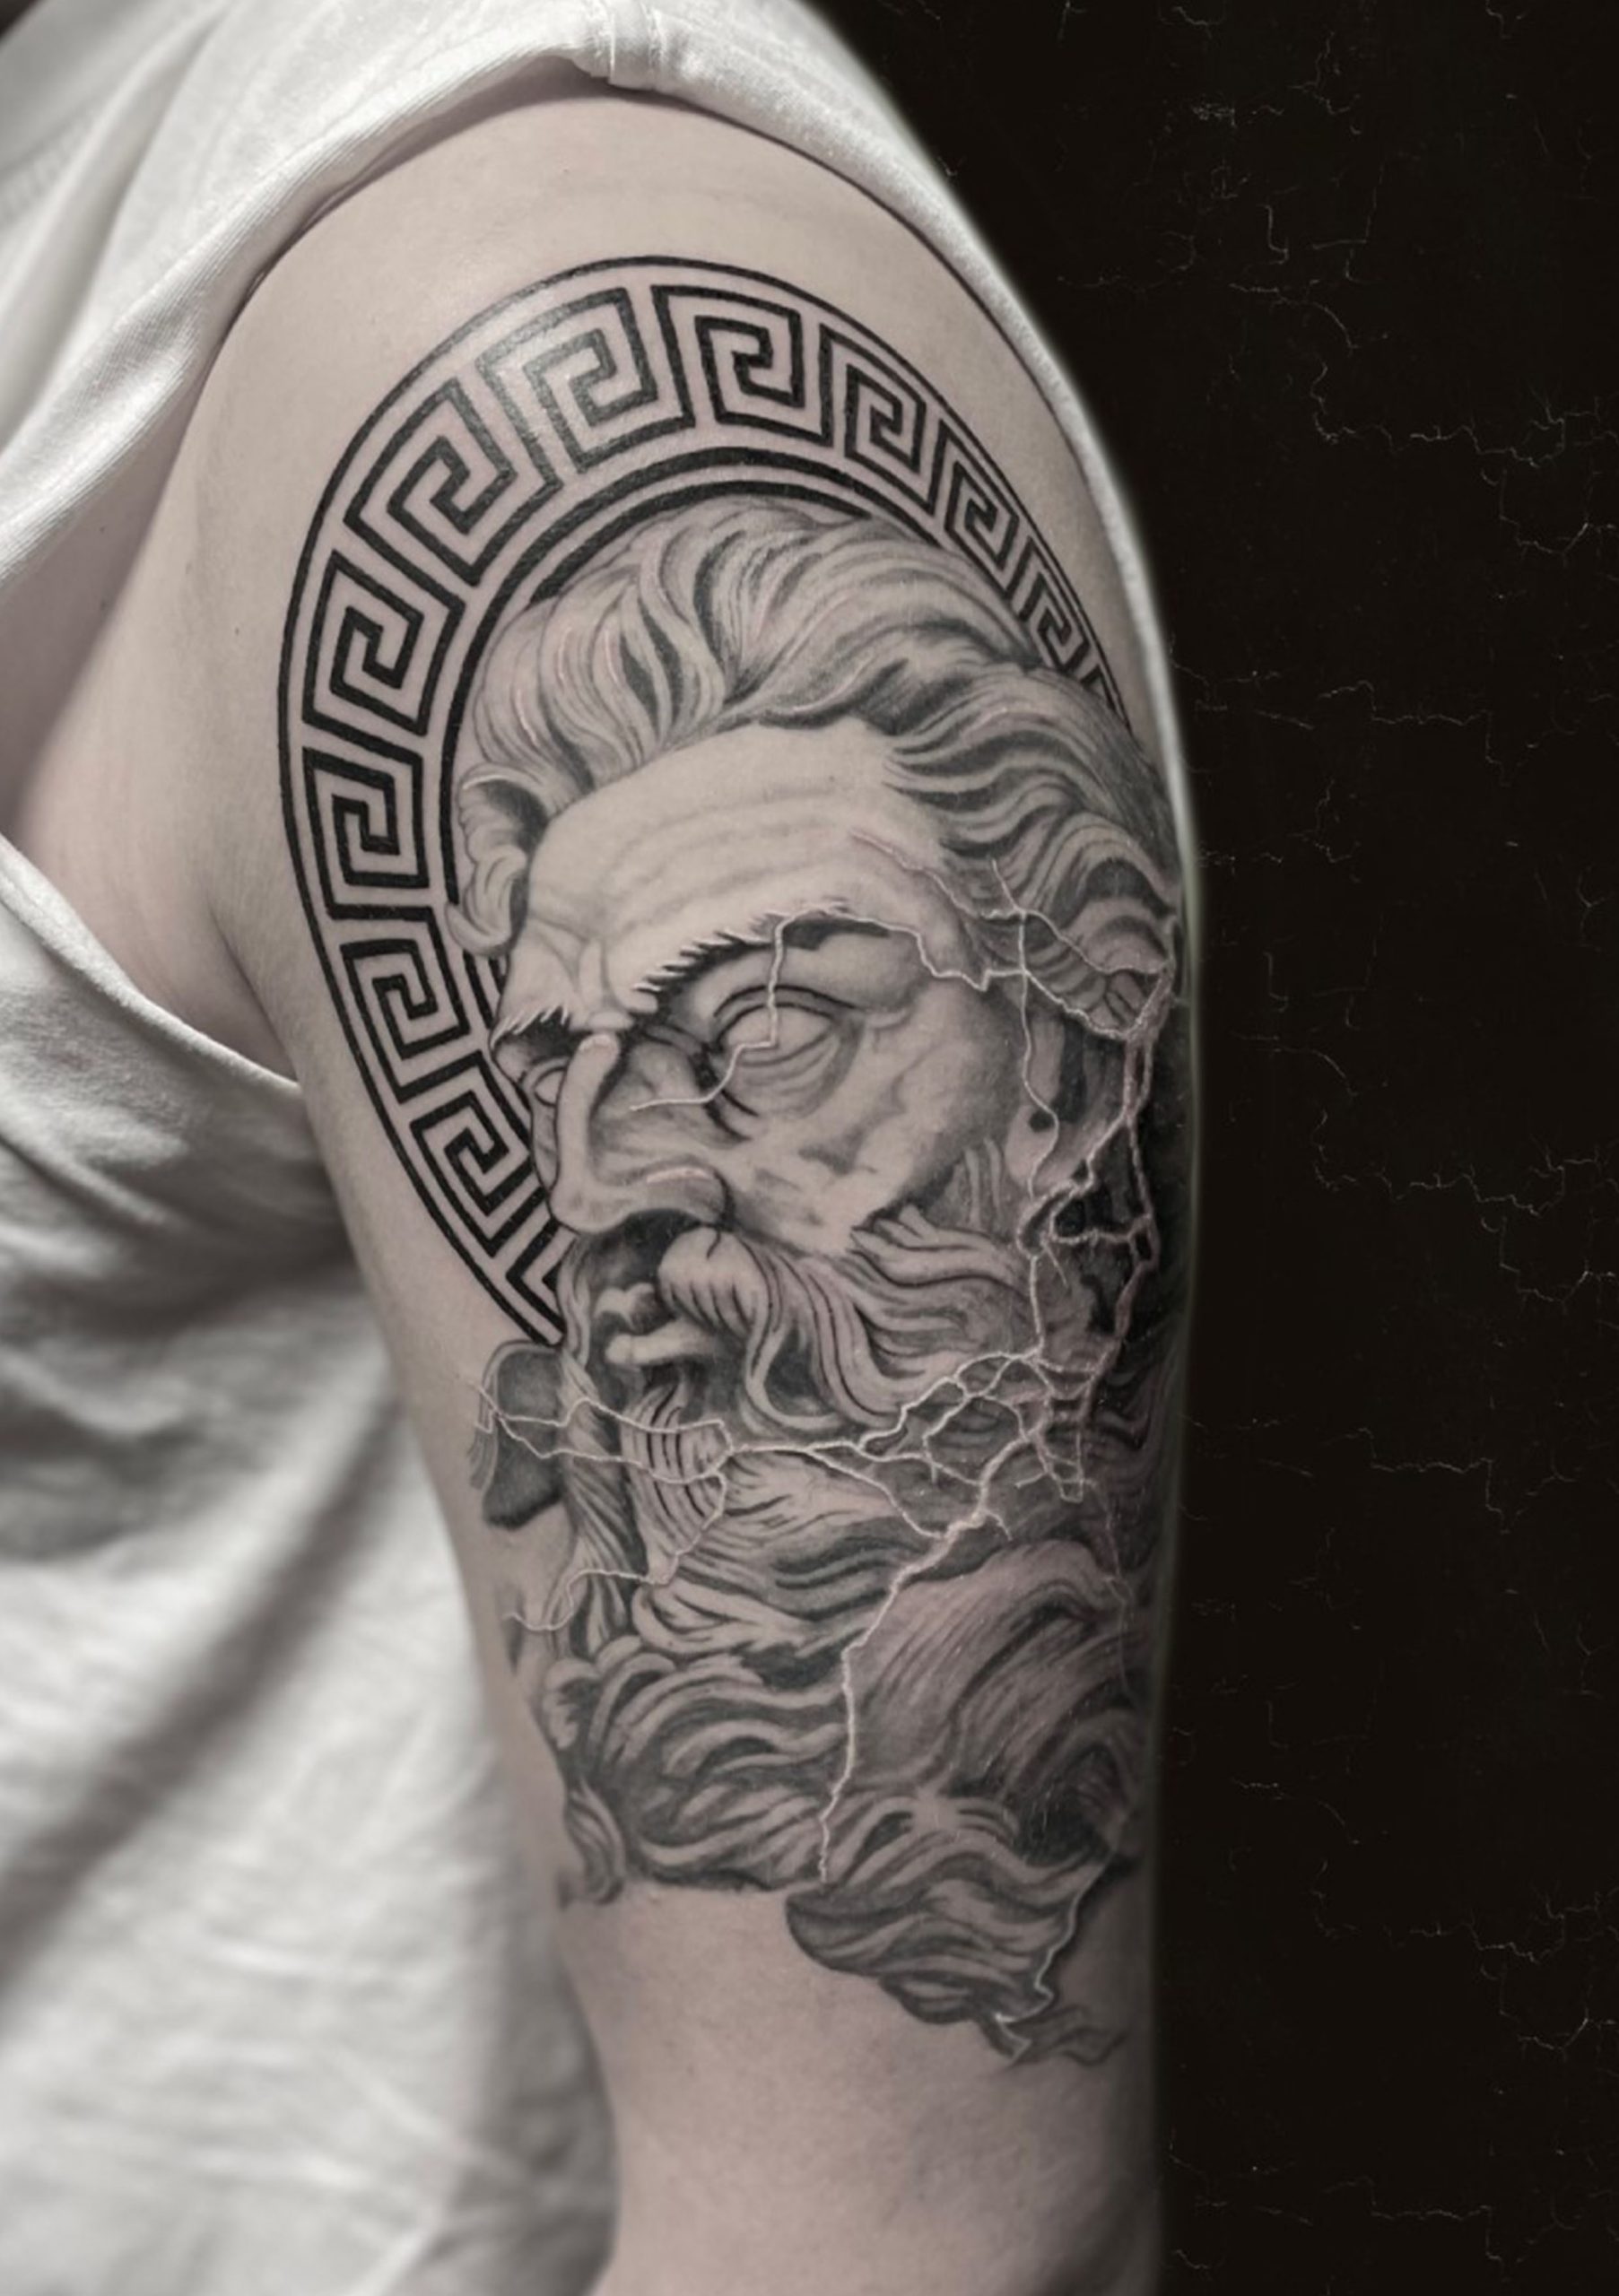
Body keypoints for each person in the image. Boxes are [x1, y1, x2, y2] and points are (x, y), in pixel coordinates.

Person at [0, 4, 1193, 2290]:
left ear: (1060, 1062)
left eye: (762, 1029)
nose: (611, 1183)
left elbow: (924, 2252)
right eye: (563, 1062)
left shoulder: (517, 356)